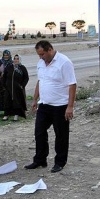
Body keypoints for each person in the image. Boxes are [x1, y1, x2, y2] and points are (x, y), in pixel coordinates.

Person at [24, 40, 77, 173]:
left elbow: (72, 85)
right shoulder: (41, 63)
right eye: (39, 55)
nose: (41, 57)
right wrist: (35, 99)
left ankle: (60, 162)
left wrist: (70, 106)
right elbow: (40, 81)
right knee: (39, 132)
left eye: (42, 54)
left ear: (50, 50)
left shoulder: (64, 62)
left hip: (60, 106)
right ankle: (40, 160)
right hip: (44, 104)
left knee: (61, 135)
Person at [1, 54, 30, 121]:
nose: (16, 60)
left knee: (16, 101)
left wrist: (22, 85)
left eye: (17, 59)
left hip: (17, 89)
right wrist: (4, 85)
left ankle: (16, 115)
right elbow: (4, 77)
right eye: (15, 59)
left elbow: (26, 78)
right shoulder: (9, 67)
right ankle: (6, 115)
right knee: (7, 101)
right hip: (8, 88)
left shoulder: (22, 68)